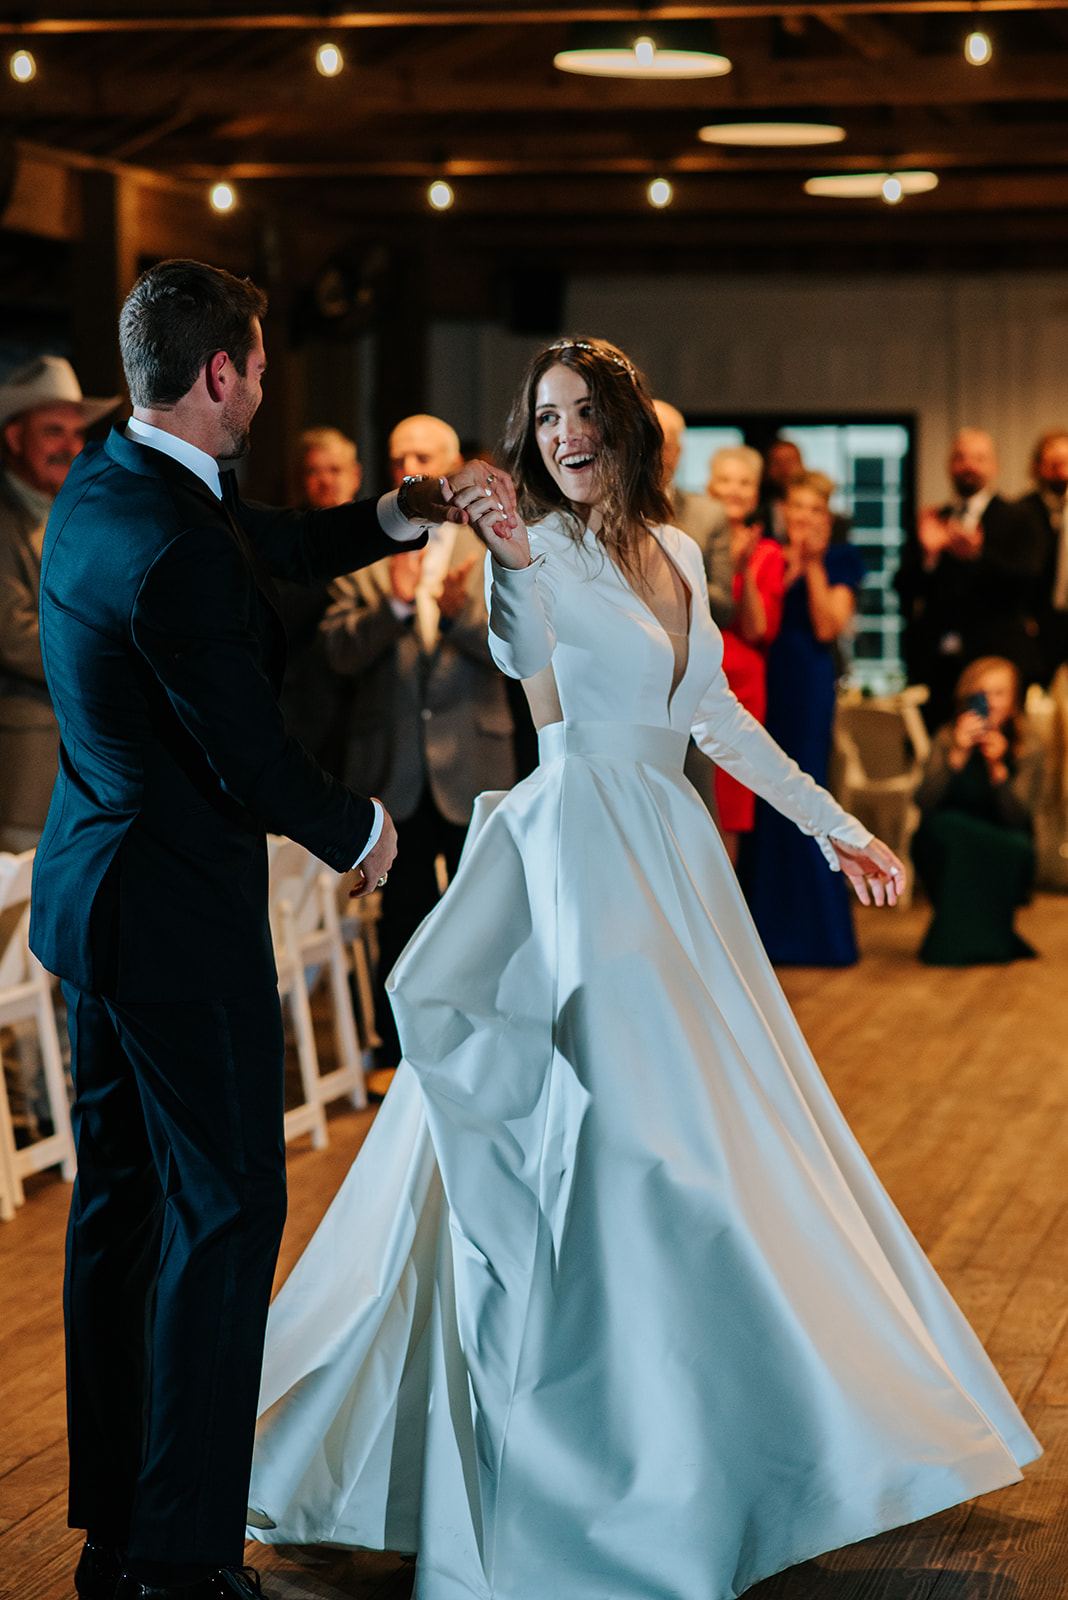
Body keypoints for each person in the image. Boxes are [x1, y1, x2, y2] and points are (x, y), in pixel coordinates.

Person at [246, 337, 1037, 1600]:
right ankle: (577, 1469)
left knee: (711, 1141)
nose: (561, 437)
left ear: (625, 428)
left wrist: (838, 828)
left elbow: (714, 716)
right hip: (579, 859)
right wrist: (506, 556)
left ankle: (702, 1448)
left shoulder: (676, 555)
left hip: (672, 857)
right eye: (543, 417)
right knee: (621, 1144)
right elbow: (519, 660)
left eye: (580, 415)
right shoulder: (538, 552)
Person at [27, 258, 511, 1600]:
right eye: (256, 369)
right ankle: (183, 1559)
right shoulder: (178, 547)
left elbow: (268, 551)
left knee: (119, 1213)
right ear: (226, 372)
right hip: (177, 923)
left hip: (92, 902)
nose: (261, 390)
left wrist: (399, 515)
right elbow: (247, 759)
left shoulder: (112, 486)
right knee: (228, 1209)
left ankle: (120, 1527)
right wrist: (364, 832)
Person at [321, 412, 515, 1069]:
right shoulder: (363, 547)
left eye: (426, 455)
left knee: (485, 911)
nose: (413, 466)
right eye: (401, 454)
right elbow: (339, 653)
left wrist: (462, 617)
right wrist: (395, 608)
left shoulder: (494, 547)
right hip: (392, 765)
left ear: (454, 466)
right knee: (401, 916)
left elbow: (517, 653)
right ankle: (400, 1050)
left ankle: (487, 1041)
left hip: (474, 759)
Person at [740, 470, 865, 965]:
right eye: (797, 506)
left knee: (806, 788)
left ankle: (819, 935)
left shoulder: (841, 560)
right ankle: (767, 930)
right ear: (784, 510)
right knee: (764, 792)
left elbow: (827, 624)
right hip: (765, 679)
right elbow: (757, 621)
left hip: (809, 682)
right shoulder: (769, 553)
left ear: (827, 516)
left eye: (815, 509)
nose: (805, 517)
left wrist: (811, 565)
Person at [0, 355, 119, 850]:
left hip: (89, 771)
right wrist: (110, 651)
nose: (70, 447)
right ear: (13, 438)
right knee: (16, 918)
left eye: (76, 434)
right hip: (27, 768)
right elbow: (13, 635)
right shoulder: (3, 523)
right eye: (53, 431)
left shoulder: (78, 516)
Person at [896, 427, 1042, 730]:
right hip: (939, 666)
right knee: (939, 748)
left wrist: (977, 556)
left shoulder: (1019, 516)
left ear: (994, 467)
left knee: (987, 743)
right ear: (949, 466)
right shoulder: (934, 519)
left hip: (993, 662)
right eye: (960, 458)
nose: (969, 466)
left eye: (979, 458)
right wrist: (930, 557)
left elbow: (1027, 581)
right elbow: (903, 589)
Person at [912, 655, 1042, 966]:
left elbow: (1019, 816)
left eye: (1000, 693)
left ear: (1013, 699)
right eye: (983, 694)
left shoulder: (1029, 745)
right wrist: (956, 755)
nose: (992, 703)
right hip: (946, 833)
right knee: (951, 831)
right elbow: (924, 802)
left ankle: (977, 939)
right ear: (968, 697)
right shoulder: (947, 738)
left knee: (1010, 846)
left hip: (1001, 836)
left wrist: (997, 770)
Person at [652, 398, 734, 818]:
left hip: (694, 684)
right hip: (634, 695)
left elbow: (726, 604)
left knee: (698, 818)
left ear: (678, 451)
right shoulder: (600, 513)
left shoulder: (705, 515)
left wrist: (679, 572)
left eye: (662, 442)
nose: (651, 450)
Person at [706, 444, 785, 863]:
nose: (734, 490)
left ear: (755, 493)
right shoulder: (690, 539)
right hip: (691, 681)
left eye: (745, 482)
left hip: (741, 690)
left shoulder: (769, 553)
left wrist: (743, 572)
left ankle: (722, 921)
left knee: (731, 811)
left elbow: (758, 628)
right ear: (709, 486)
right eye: (726, 480)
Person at [273, 427, 363, 774]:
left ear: (355, 476)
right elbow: (280, 615)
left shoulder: (382, 535)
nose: (325, 480)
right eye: (314, 471)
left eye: (334, 470)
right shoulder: (284, 538)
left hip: (369, 711)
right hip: (304, 710)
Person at [1016, 428, 1068, 685]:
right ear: (1038, 467)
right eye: (1054, 464)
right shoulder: (1020, 511)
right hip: (1036, 624)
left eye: (1067, 463)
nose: (1062, 472)